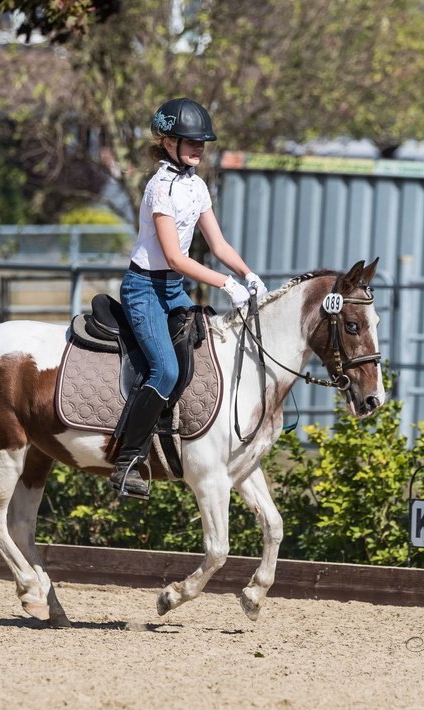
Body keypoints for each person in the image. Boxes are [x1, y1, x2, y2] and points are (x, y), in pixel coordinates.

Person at [109, 96, 267, 499]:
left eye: (202, 142)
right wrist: (224, 284)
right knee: (164, 371)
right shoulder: (159, 188)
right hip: (144, 291)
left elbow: (217, 243)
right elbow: (176, 258)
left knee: (212, 349)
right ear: (167, 142)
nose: (198, 147)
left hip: (173, 292)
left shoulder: (196, 187)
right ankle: (127, 461)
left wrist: (248, 274)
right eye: (189, 140)